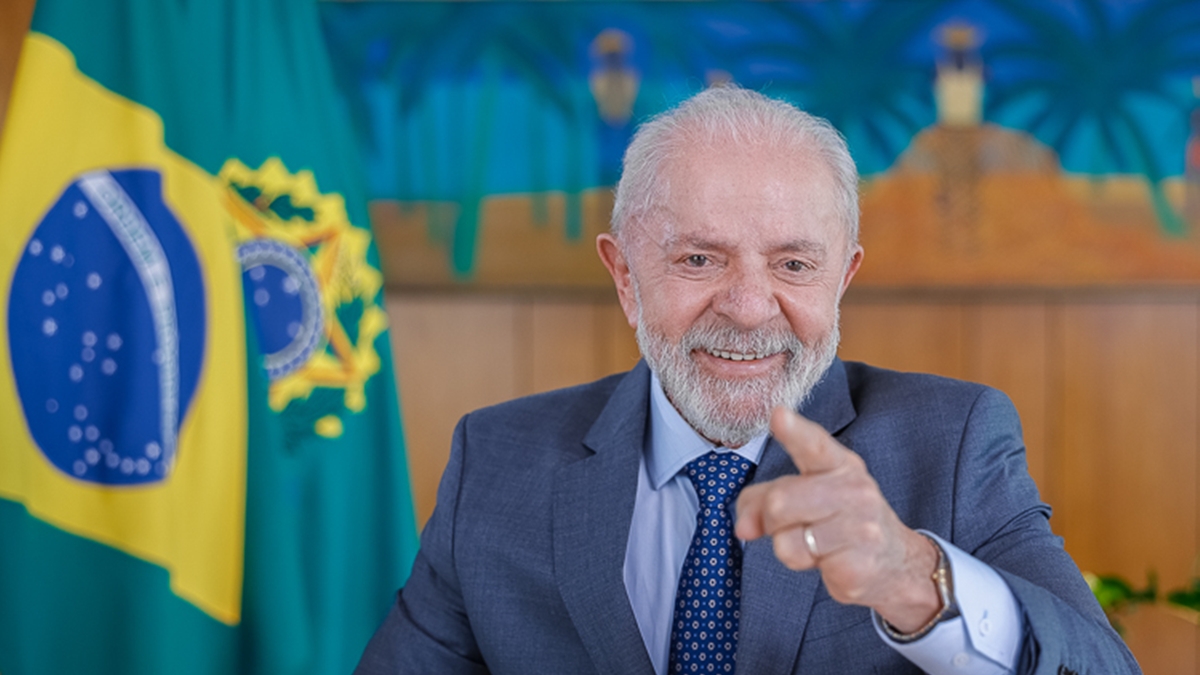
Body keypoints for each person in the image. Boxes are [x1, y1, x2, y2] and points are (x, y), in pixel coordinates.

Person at [355, 86, 1139, 674]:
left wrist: (916, 579)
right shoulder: (496, 459)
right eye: (699, 259)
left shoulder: (956, 442)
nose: (748, 307)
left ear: (843, 277)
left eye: (794, 264)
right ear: (625, 275)